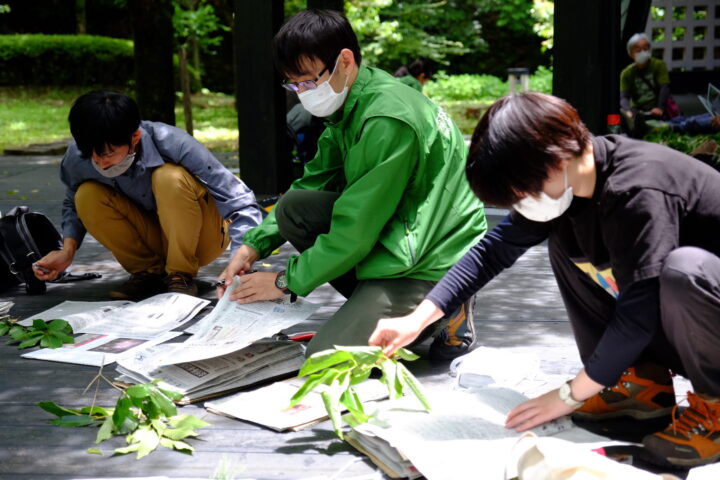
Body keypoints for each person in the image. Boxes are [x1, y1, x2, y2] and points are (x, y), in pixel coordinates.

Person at [370, 92, 720, 467]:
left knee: (684, 270)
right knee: (566, 246)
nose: (522, 204)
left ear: (555, 156)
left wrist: (570, 395)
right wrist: (418, 319)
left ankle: (715, 408)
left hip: (700, 315)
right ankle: (640, 383)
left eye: (522, 192)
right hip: (678, 325)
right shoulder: (567, 186)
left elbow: (639, 311)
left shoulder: (638, 190)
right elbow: (492, 251)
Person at [217, 9, 487, 361]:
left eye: (308, 81)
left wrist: (285, 282)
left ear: (345, 60)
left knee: (325, 360)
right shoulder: (350, 105)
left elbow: (355, 229)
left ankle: (446, 304)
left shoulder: (386, 118)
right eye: (293, 84)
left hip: (431, 257)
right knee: (293, 208)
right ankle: (376, 306)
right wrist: (251, 248)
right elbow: (310, 183)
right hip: (399, 234)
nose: (303, 93)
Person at [33, 90, 264, 299]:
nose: (100, 163)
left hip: (201, 237)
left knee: (168, 177)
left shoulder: (173, 143)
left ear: (134, 138)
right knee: (85, 195)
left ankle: (180, 275)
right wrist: (68, 251)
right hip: (150, 236)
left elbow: (239, 201)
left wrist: (241, 257)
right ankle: (148, 275)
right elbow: (72, 204)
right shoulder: (78, 156)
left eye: (109, 154)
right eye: (92, 155)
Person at [620, 33, 674, 137]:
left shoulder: (658, 65)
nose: (643, 52)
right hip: (639, 111)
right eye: (638, 50)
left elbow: (664, 87)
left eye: (646, 48)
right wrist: (628, 111)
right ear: (631, 53)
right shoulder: (627, 73)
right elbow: (624, 96)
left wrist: (660, 108)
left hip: (657, 109)